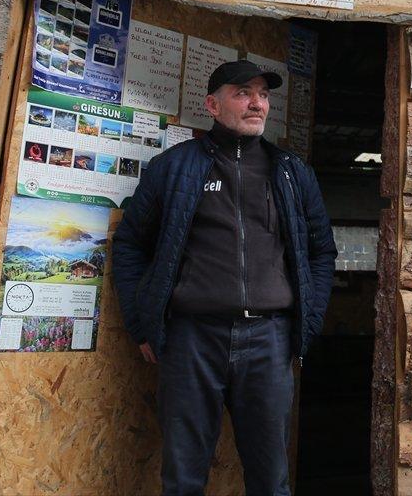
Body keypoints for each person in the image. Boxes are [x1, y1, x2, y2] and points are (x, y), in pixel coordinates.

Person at [112, 59, 336, 496]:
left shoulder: (291, 173)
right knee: (183, 477)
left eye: (263, 95)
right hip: (191, 339)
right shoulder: (173, 168)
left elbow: (321, 251)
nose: (257, 103)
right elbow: (131, 245)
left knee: (271, 480)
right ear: (213, 105)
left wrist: (306, 325)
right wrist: (141, 324)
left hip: (269, 341)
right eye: (243, 93)